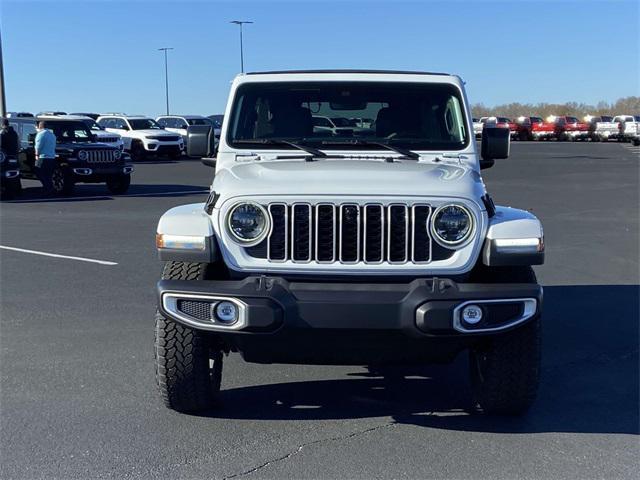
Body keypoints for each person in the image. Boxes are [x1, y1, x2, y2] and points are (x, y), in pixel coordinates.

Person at [34, 121, 57, 196]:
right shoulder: (52, 135)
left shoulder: (40, 134)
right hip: (51, 157)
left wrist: (36, 154)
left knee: (39, 173)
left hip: (42, 157)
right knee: (49, 175)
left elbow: (38, 146)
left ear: (40, 126)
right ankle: (50, 188)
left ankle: (47, 188)